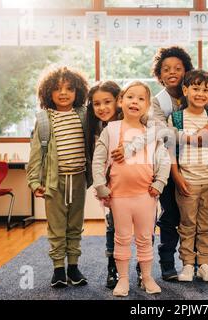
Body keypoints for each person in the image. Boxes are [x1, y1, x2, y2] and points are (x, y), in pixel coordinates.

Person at [150, 46, 208, 280]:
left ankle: (201, 264)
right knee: (173, 219)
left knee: (203, 223)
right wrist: (188, 138)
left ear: (186, 72)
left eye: (178, 68)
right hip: (173, 169)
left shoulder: (205, 102)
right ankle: (170, 264)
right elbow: (163, 134)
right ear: (159, 74)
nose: (172, 72)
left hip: (206, 175)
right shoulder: (159, 103)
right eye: (166, 69)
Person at [92, 81, 171, 297]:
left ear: (147, 106)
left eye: (140, 99)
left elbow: (163, 160)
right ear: (121, 101)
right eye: (130, 97)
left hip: (146, 196)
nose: (134, 101)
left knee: (145, 238)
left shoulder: (151, 132)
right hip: (119, 197)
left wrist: (160, 182)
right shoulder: (112, 129)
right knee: (122, 237)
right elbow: (98, 160)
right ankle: (123, 279)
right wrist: (100, 186)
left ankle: (146, 277)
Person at [27, 66, 90, 288]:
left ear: (78, 91)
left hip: (79, 179)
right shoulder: (45, 119)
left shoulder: (83, 114)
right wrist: (34, 182)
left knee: (75, 225)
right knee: (56, 227)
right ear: (48, 93)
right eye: (57, 88)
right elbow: (35, 154)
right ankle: (58, 270)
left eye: (69, 88)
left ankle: (73, 267)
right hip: (54, 183)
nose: (63, 93)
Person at [169, 69, 208, 282]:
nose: (201, 93)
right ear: (185, 90)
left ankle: (204, 264)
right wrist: (177, 177)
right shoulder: (176, 118)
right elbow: (170, 150)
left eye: (206, 89)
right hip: (188, 181)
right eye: (195, 88)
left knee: (206, 225)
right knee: (187, 224)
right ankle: (186, 264)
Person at [86, 80, 122, 289]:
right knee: (112, 227)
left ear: (118, 100)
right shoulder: (96, 128)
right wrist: (101, 185)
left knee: (144, 228)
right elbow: (97, 161)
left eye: (107, 101)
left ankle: (141, 268)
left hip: (137, 185)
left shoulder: (132, 122)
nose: (102, 108)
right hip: (110, 187)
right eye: (96, 104)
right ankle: (113, 268)